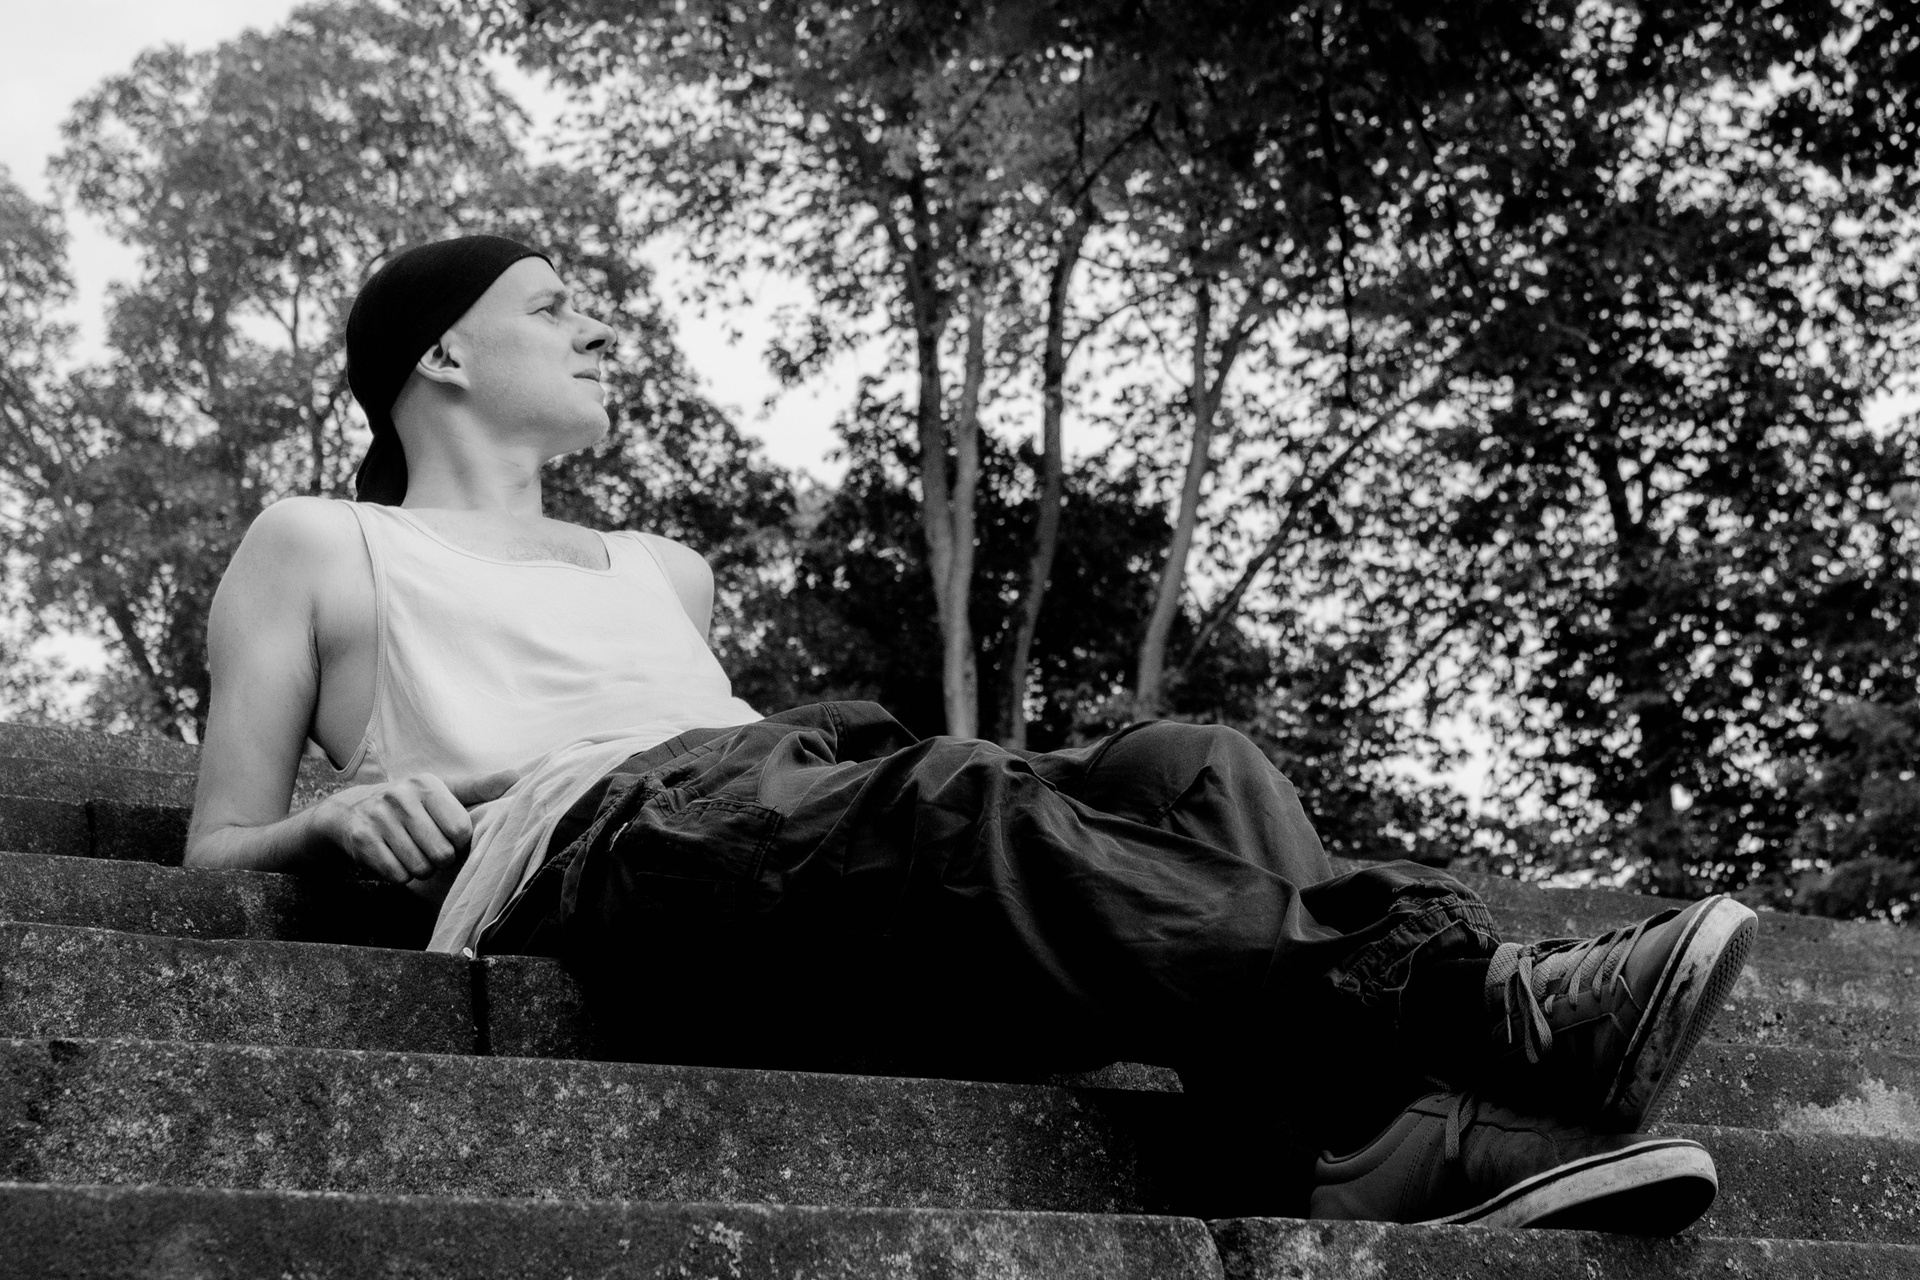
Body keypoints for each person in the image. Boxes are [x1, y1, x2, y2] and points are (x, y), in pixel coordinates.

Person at [186, 234, 1758, 1231]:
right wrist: (331, 820)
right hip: (597, 845)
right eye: (554, 307)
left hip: (790, 798)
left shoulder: (664, 570)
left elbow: (777, 791)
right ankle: (1475, 1010)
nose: (599, 330)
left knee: (1195, 766)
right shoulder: (321, 540)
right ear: (445, 354)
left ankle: (1359, 1155)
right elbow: (215, 849)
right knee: (951, 804)